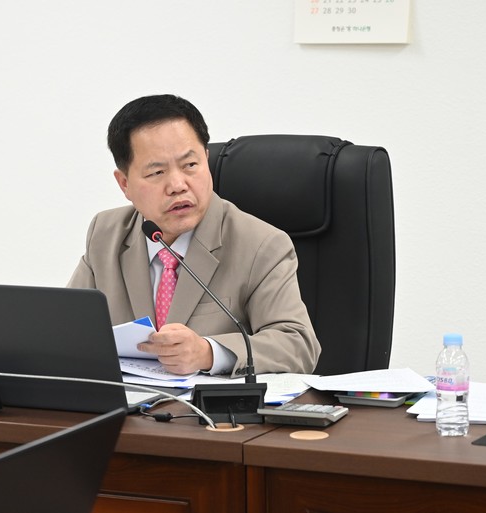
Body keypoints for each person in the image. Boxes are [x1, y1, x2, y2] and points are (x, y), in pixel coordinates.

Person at [68, 94, 320, 377]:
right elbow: (66, 329)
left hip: (211, 405)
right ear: (124, 183)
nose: (178, 185)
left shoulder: (261, 244)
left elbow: (298, 345)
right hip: (131, 400)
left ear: (206, 160)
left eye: (190, 165)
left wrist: (208, 352)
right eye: (157, 172)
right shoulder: (105, 233)